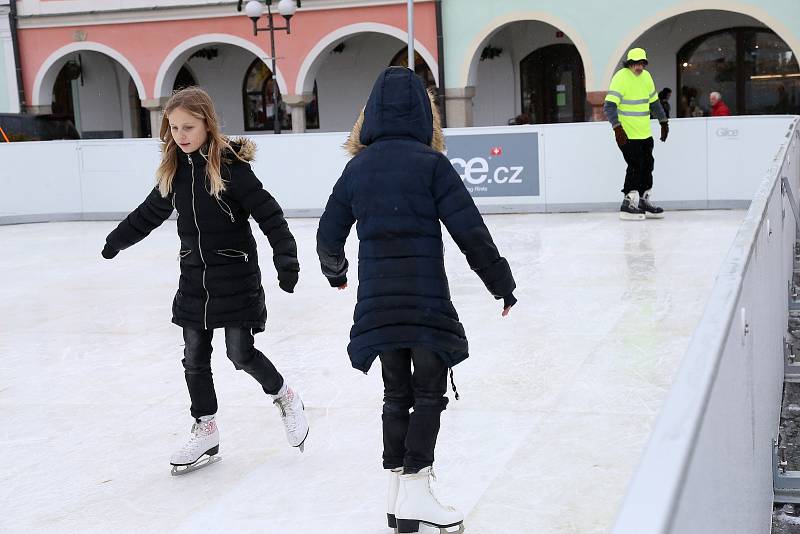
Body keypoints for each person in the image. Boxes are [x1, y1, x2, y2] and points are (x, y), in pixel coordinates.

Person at [316, 67, 516, 533]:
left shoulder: (357, 168)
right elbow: (471, 232)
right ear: (426, 117)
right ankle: (416, 491)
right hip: (425, 301)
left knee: (395, 393)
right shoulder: (432, 165)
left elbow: (327, 236)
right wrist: (500, 282)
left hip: (379, 303)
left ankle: (398, 495)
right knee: (428, 393)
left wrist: (337, 274)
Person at [100, 87, 308, 475]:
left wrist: (286, 260)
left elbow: (271, 216)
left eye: (188, 127)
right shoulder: (175, 171)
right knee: (194, 358)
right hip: (194, 280)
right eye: (174, 127)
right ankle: (206, 426)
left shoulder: (232, 169)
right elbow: (147, 214)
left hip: (237, 277)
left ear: (207, 125)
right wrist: (116, 240)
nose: (180, 134)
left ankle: (285, 396)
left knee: (239, 353)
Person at [604, 47, 669, 221]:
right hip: (626, 134)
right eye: (635, 64)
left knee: (648, 165)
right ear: (629, 64)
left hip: (644, 133)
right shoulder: (621, 77)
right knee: (635, 165)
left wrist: (663, 122)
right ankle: (627, 203)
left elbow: (654, 103)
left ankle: (642, 201)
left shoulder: (646, 77)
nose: (639, 67)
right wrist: (617, 127)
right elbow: (609, 106)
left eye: (642, 64)